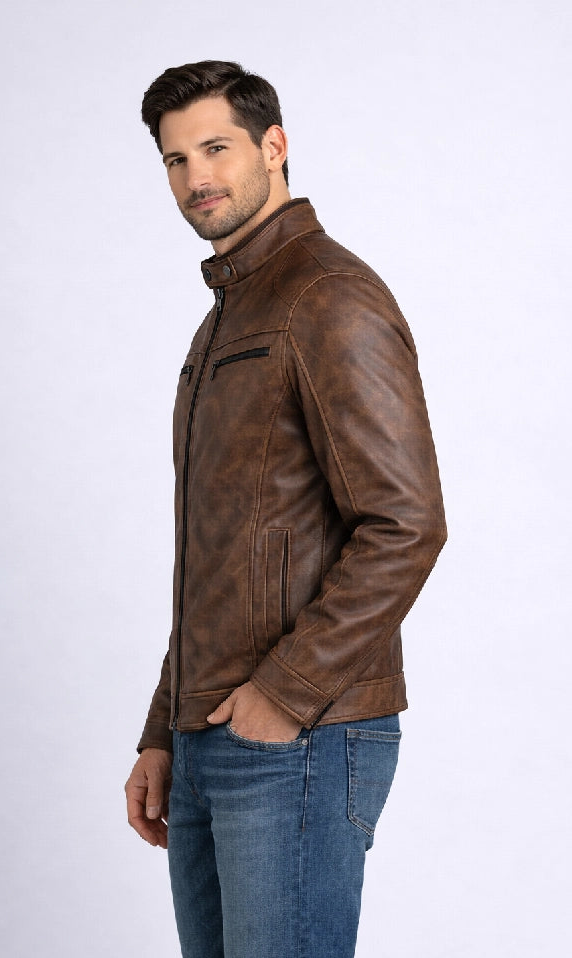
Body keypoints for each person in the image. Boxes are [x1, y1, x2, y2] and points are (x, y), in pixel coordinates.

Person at [125, 60, 446, 958]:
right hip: (210, 737)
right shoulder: (227, 318)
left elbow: (406, 524)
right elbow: (219, 558)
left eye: (216, 148)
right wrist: (164, 730)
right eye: (176, 159)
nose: (197, 177)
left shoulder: (327, 295)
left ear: (274, 146)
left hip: (298, 737)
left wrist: (284, 694)